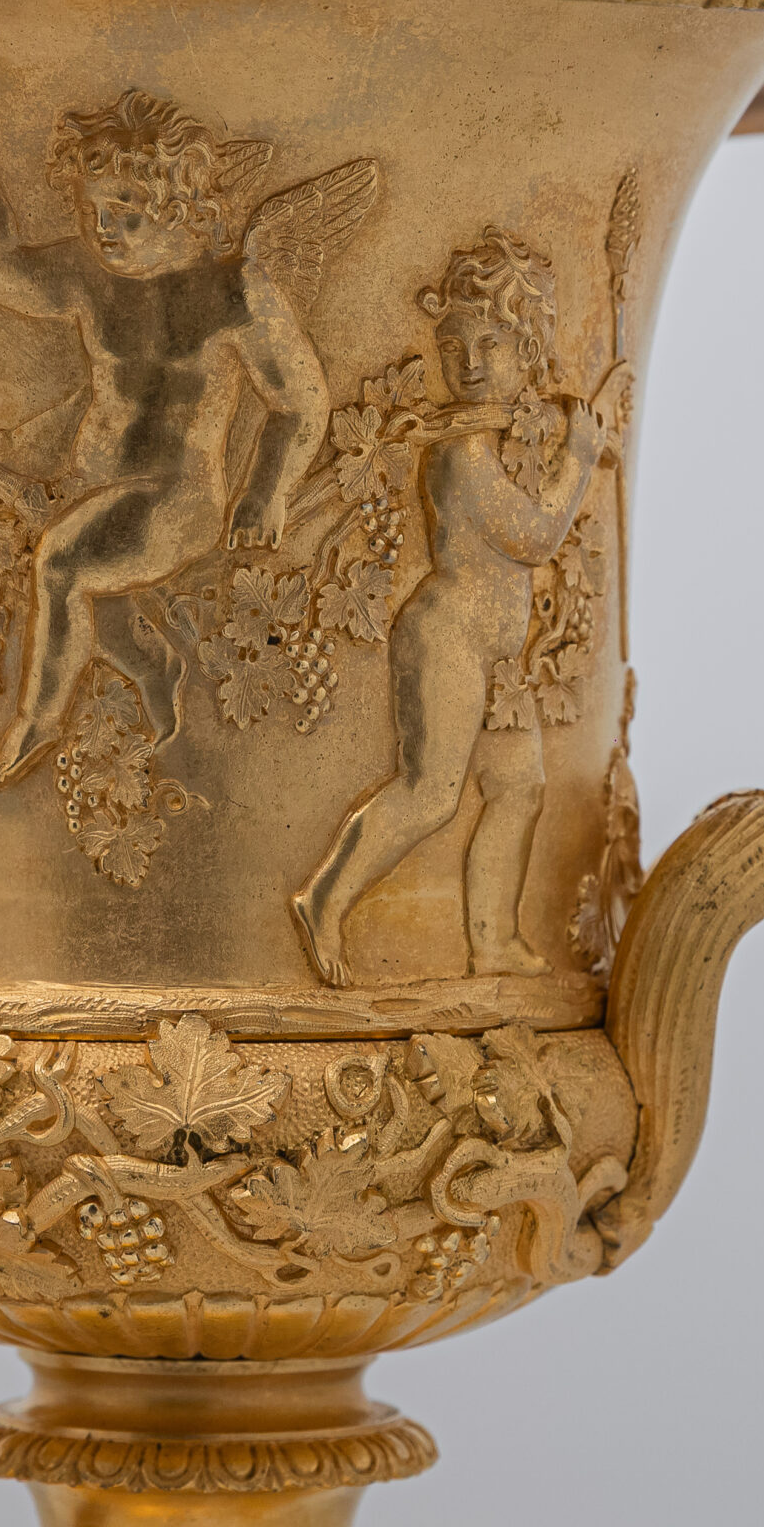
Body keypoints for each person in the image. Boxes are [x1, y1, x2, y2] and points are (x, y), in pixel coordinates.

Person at [0, 91, 340, 789]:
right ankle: (158, 669)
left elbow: (301, 402)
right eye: (90, 212)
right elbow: (5, 272)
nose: (102, 228)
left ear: (178, 208)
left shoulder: (234, 292)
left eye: (124, 211)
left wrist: (266, 491)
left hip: (178, 496)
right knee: (104, 616)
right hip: (93, 485)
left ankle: (36, 723)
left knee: (62, 563)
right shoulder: (91, 275)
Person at [293, 229, 605, 988]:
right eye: (453, 345)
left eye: (489, 344)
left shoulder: (498, 437)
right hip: (449, 638)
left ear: (528, 349)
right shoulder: (463, 453)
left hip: (501, 656)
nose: (467, 364)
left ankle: (493, 942)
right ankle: (323, 899)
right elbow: (534, 538)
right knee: (431, 793)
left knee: (520, 787)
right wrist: (579, 461)